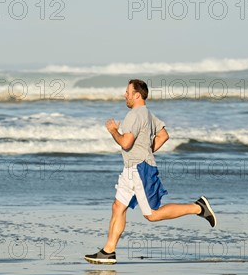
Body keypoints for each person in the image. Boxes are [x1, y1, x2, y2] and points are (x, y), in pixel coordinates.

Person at [85, 79, 216, 265]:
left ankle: (198, 207)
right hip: (131, 168)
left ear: (137, 95)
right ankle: (108, 252)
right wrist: (146, 150)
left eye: (127, 92)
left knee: (152, 215)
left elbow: (125, 143)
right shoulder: (148, 114)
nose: (125, 95)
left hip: (140, 169)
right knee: (117, 207)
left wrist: (113, 130)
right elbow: (164, 135)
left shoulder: (134, 115)